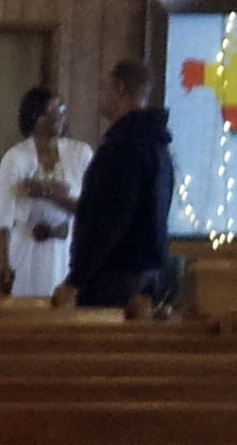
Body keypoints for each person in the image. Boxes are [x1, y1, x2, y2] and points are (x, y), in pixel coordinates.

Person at [65, 57, 176, 310]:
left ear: (119, 87)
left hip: (114, 279)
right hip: (148, 276)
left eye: (104, 87)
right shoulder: (159, 147)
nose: (101, 95)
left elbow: (106, 219)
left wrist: (76, 278)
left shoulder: (123, 147)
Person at [0, 83, 90, 301]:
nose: (60, 116)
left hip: (65, 250)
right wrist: (3, 263)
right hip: (26, 249)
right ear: (36, 117)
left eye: (62, 110)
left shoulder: (80, 153)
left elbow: (88, 207)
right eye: (53, 111)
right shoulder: (15, 157)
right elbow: (2, 213)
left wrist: (46, 191)